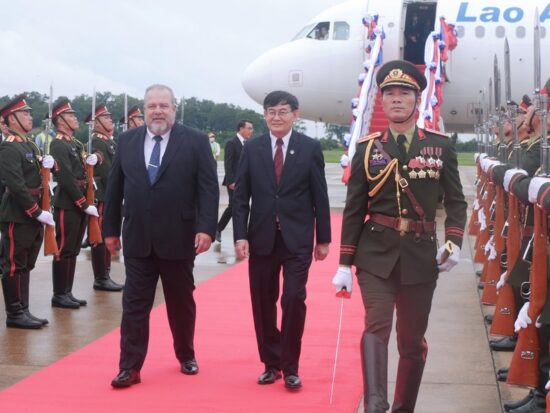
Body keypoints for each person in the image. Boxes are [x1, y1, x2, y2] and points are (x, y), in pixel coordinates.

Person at [332, 60, 467, 412]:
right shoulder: (367, 148)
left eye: (403, 93)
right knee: (376, 327)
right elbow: (353, 208)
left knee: (410, 341)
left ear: (416, 100)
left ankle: (402, 407)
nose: (395, 99)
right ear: (380, 102)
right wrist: (345, 263)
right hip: (374, 253)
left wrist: (453, 242)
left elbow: (455, 201)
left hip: (421, 255)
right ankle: (374, 406)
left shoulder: (440, 146)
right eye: (388, 94)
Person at [103, 84, 219, 388]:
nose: (157, 111)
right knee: (134, 306)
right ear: (144, 110)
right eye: (152, 106)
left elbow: (208, 188)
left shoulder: (194, 141)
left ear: (173, 109)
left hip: (179, 238)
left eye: (163, 106)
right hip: (138, 238)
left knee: (181, 303)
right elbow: (113, 189)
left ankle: (186, 354)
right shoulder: (127, 140)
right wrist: (110, 230)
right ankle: (129, 367)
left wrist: (207, 228)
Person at [232, 90, 331, 390]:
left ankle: (290, 366)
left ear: (295, 114)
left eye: (283, 111)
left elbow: (320, 196)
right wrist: (239, 236)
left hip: (297, 239)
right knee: (263, 303)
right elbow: (240, 199)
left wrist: (323, 238)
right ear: (264, 115)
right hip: (261, 238)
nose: (277, 117)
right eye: (271, 112)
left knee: (293, 298)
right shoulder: (252, 149)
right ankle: (270, 363)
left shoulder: (310, 147)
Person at [0, 94, 55, 329]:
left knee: (25, 263)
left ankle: (24, 310)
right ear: (11, 119)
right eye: (24, 113)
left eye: (30, 113)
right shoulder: (9, 147)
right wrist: (35, 211)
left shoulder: (28, 144)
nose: (30, 117)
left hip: (31, 214)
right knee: (13, 264)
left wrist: (51, 164)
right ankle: (14, 314)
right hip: (17, 213)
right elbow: (16, 184)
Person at [49, 100, 99, 309]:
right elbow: (66, 177)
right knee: (64, 248)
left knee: (73, 249)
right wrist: (82, 202)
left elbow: (83, 171)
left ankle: (67, 292)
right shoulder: (58, 144)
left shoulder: (75, 143)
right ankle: (59, 294)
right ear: (60, 121)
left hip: (79, 201)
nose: (75, 118)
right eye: (70, 116)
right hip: (68, 202)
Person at [85, 104, 123, 292]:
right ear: (96, 123)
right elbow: (108, 172)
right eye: (105, 118)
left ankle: (105, 274)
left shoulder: (109, 141)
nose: (110, 120)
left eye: (109, 117)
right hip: (102, 194)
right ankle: (101, 277)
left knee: (106, 234)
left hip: (109, 195)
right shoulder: (98, 142)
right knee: (99, 237)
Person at [215, 119, 253, 243]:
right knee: (233, 207)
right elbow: (228, 163)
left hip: (246, 182)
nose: (251, 131)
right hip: (234, 182)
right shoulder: (232, 143)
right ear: (241, 129)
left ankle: (242, 234)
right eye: (249, 128)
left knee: (244, 207)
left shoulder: (249, 144)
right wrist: (231, 181)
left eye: (251, 128)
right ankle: (218, 229)